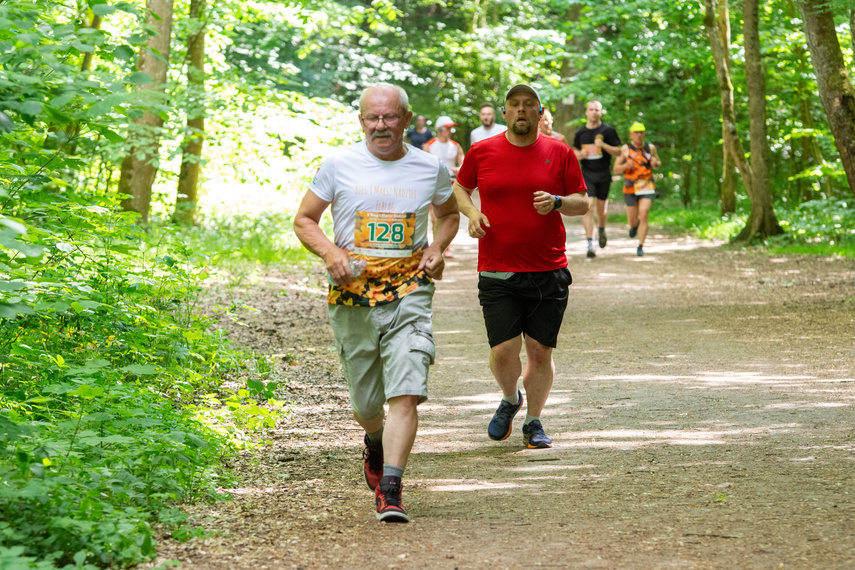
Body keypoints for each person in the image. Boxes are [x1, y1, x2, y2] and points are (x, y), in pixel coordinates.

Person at [293, 83, 459, 523]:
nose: (381, 126)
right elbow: (304, 219)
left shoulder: (429, 168)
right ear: (361, 120)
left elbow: (448, 215)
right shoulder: (339, 165)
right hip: (352, 294)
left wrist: (437, 248)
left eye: (389, 118)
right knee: (366, 406)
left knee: (406, 391)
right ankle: (374, 440)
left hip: (410, 290)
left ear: (406, 119)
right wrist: (331, 253)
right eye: (372, 118)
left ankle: (392, 488)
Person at [453, 84, 588, 449]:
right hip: (497, 267)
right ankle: (511, 397)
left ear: (541, 112)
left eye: (530, 105)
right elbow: (461, 189)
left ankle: (534, 421)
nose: (522, 110)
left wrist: (558, 201)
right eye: (515, 105)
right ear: (504, 112)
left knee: (540, 351)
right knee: (503, 350)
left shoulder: (559, 153)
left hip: (548, 268)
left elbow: (583, 202)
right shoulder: (482, 151)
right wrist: (473, 213)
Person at [572, 101, 621, 258]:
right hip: (587, 174)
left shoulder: (608, 131)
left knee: (601, 209)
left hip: (603, 173)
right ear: (586, 112)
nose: (594, 112)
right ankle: (590, 243)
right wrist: (579, 154)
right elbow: (573, 150)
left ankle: (601, 228)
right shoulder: (580, 133)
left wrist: (604, 145)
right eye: (591, 110)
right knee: (589, 206)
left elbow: (619, 151)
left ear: (601, 112)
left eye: (597, 110)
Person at [613, 122, 661, 257]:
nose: (638, 135)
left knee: (644, 213)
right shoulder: (625, 149)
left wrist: (655, 163)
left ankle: (641, 245)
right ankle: (634, 226)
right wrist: (625, 165)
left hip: (647, 185)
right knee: (633, 219)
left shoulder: (650, 148)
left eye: (641, 132)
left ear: (644, 134)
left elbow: (658, 163)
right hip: (630, 187)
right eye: (636, 132)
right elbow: (616, 169)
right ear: (631, 135)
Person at [424, 116, 465, 258]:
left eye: (450, 127)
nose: (450, 130)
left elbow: (464, 163)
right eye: (447, 127)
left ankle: (446, 247)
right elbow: (423, 166)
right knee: (435, 217)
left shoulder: (455, 145)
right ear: (439, 129)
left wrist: (460, 169)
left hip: (451, 183)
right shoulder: (429, 145)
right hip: (433, 184)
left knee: (448, 216)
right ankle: (437, 245)